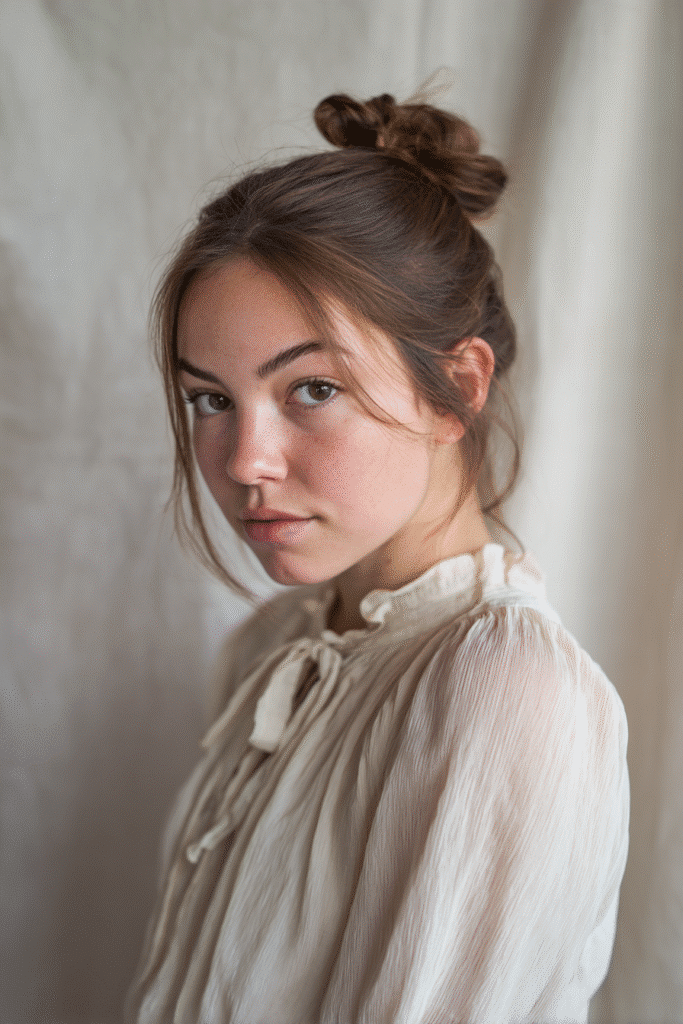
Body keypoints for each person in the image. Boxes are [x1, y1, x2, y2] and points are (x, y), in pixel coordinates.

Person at [126, 88, 629, 1024]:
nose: (243, 462)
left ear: (457, 388)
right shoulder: (270, 650)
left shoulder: (508, 694)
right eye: (211, 399)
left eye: (311, 388)